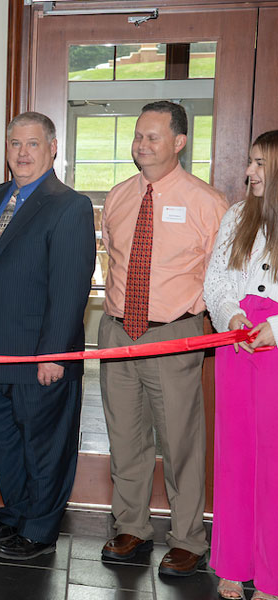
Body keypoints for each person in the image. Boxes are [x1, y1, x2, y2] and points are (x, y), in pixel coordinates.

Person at [98, 101, 227, 576]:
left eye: (153, 137)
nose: (141, 145)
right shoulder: (118, 196)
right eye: (138, 136)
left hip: (173, 337)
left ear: (179, 142)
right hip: (116, 333)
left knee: (180, 443)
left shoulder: (208, 203)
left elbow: (222, 276)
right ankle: (130, 526)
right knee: (125, 440)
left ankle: (189, 537)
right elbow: (112, 260)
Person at [0, 112, 95, 560]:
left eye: (32, 144)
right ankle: (17, 513)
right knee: (3, 441)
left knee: (45, 446)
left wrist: (54, 355)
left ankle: (40, 529)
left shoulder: (70, 206)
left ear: (53, 148)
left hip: (39, 355)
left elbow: (69, 290)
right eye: (14, 144)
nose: (22, 154)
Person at [203, 129, 278, 600]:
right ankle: (233, 562)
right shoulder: (237, 216)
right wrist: (231, 316)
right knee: (235, 456)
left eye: (258, 164)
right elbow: (217, 281)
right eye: (249, 162)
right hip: (237, 341)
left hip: (275, 342)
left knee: (273, 460)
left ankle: (271, 573)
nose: (248, 172)